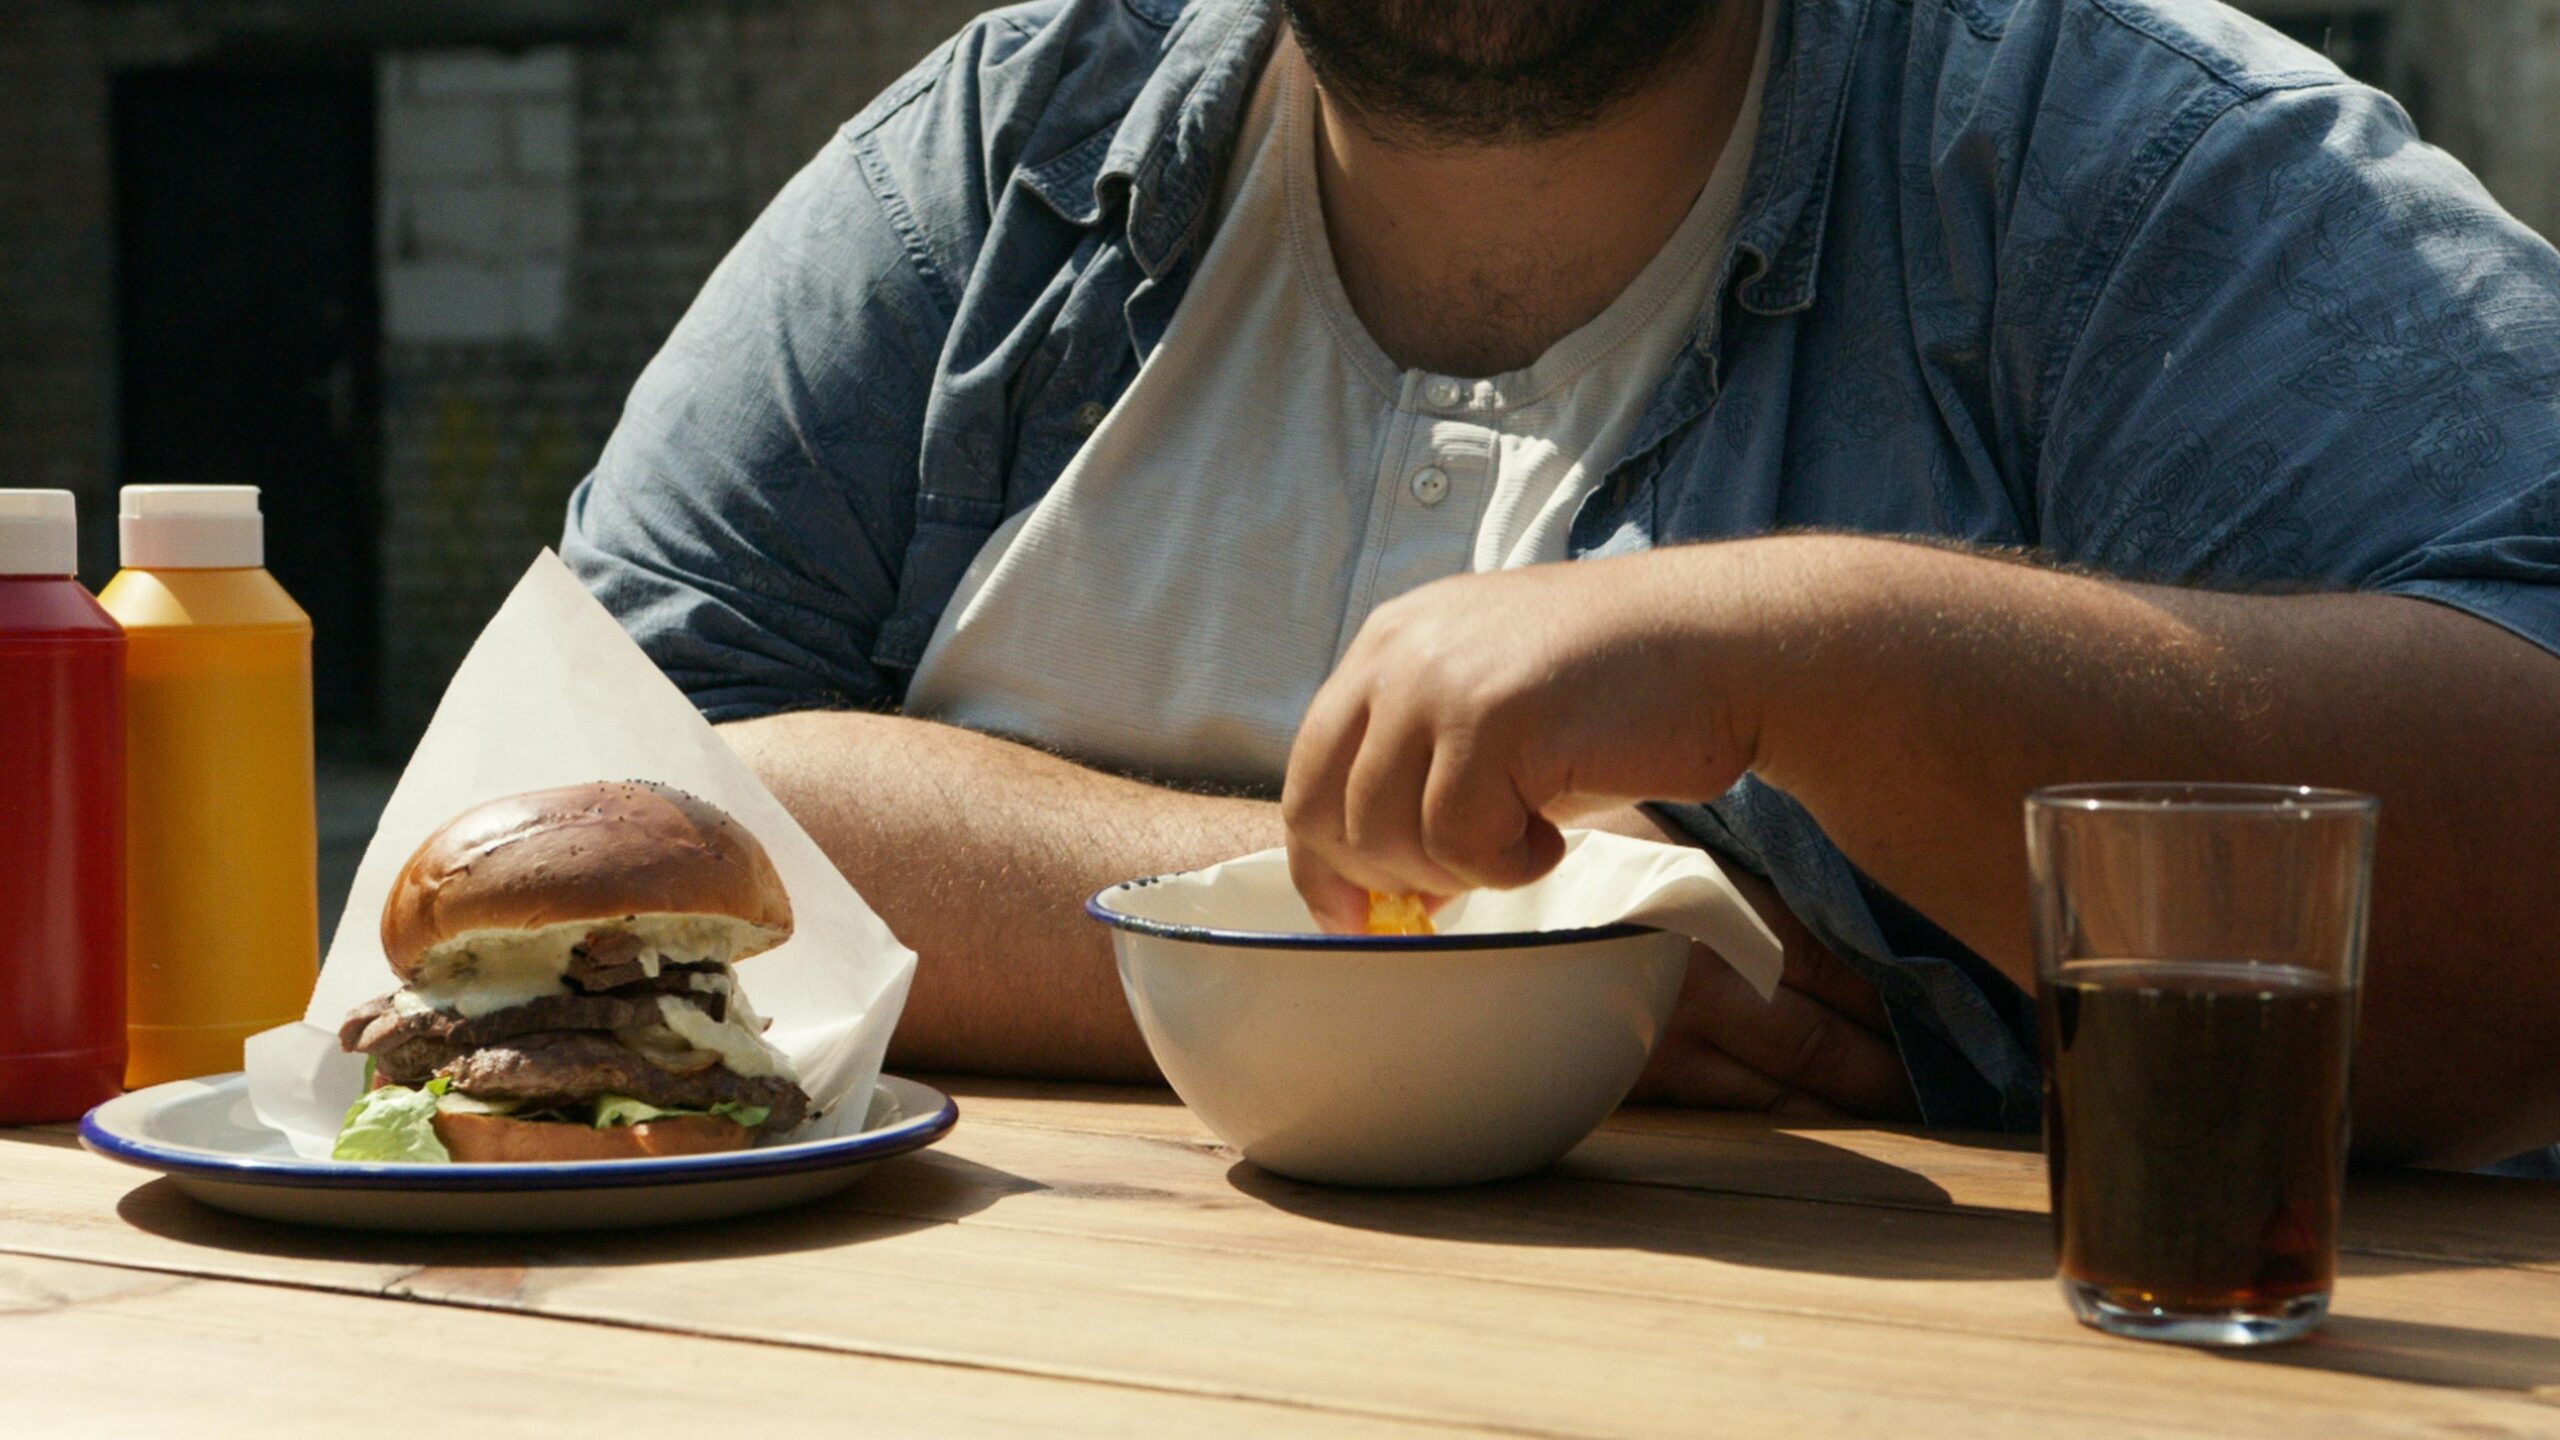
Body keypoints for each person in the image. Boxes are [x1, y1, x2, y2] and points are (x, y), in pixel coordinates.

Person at [563, 0, 2560, 1168]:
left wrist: (1828, 662)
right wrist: (1466, 971)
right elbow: (558, 833)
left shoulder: (2110, 156)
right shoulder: (994, 161)